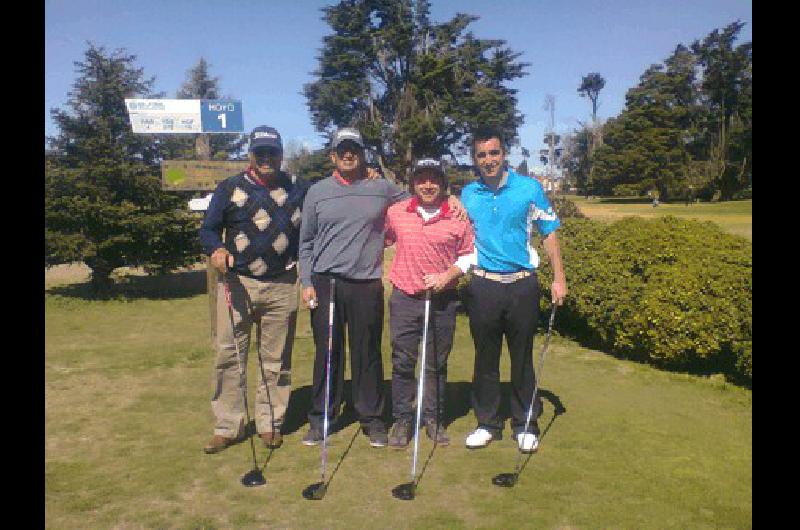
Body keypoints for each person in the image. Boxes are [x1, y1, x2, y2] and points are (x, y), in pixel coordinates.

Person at [298, 128, 466, 448]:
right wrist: (306, 282)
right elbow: (305, 242)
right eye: (342, 150)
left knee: (368, 354)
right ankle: (322, 417)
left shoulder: (382, 189)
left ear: (362, 154)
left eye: (354, 150)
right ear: (333, 155)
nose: (348, 155)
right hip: (326, 280)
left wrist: (450, 196)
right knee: (328, 352)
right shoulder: (317, 192)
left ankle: (372, 418)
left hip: (366, 283)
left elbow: (422, 198)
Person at [199, 125, 311, 454]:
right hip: (238, 283)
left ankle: (269, 423)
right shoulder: (230, 187)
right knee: (228, 354)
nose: (266, 158)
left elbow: (327, 205)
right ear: (251, 154)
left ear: (281, 154)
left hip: (282, 283)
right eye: (260, 153)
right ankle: (227, 426)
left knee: (276, 360)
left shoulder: (299, 188)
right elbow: (208, 229)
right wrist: (215, 250)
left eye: (272, 152)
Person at [460, 129, 567, 453]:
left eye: (494, 153)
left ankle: (525, 423)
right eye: (482, 155)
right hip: (483, 286)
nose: (488, 160)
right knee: (485, 359)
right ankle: (487, 422)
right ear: (475, 160)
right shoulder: (468, 194)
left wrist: (559, 278)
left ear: (504, 154)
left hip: (522, 284)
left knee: (522, 359)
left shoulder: (529, 189)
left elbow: (549, 233)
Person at [384, 158, 475, 448]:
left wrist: (448, 275)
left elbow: (469, 254)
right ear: (413, 183)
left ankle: (434, 418)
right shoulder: (397, 212)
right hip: (404, 297)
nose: (427, 184)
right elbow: (379, 239)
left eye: (433, 179)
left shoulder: (457, 217)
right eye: (421, 178)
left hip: (442, 300)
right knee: (402, 362)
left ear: (443, 183)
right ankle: (402, 419)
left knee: (435, 363)